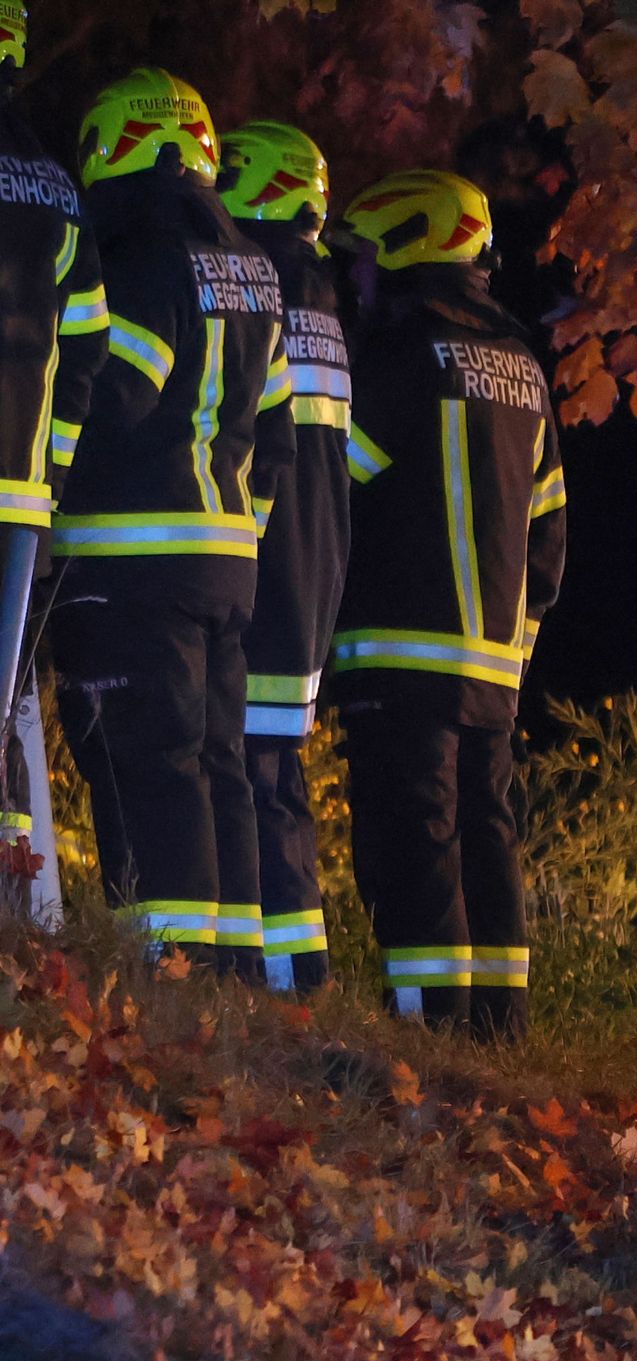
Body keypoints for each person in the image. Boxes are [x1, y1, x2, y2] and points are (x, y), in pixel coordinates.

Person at [48, 67, 282, 961]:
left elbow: (118, 396)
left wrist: (49, 467)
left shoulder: (142, 253)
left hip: (133, 557)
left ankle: (167, 973)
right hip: (228, 559)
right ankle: (231, 975)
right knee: (219, 767)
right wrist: (242, 530)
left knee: (147, 766)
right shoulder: (253, 266)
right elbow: (279, 437)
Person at [326, 168, 559, 1035]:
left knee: (412, 840)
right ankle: (500, 1027)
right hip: (494, 666)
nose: (355, 278)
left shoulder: (397, 355)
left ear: (405, 248)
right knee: (487, 835)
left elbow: (334, 483)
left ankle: (429, 1027)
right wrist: (516, 642)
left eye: (362, 258)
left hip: (399, 653)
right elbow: (549, 525)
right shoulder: (524, 366)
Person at [216, 120, 347, 989]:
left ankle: (274, 973)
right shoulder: (323, 294)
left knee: (250, 773)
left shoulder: (264, 278)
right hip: (315, 562)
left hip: (266, 555)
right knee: (276, 772)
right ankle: (301, 967)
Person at [0, 3, 103, 921]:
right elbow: (88, 346)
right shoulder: (57, 187)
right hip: (22, 498)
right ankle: (13, 900)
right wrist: (53, 471)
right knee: (2, 708)